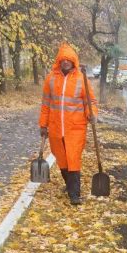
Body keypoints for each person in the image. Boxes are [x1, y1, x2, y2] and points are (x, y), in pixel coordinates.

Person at [39, 43, 97, 205]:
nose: (65, 62)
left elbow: (90, 102)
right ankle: (70, 185)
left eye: (68, 59)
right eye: (63, 59)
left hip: (76, 128)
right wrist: (43, 125)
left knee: (73, 158)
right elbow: (45, 104)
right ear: (59, 61)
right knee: (62, 159)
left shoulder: (81, 79)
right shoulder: (51, 79)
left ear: (73, 61)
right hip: (56, 128)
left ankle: (74, 195)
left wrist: (92, 114)